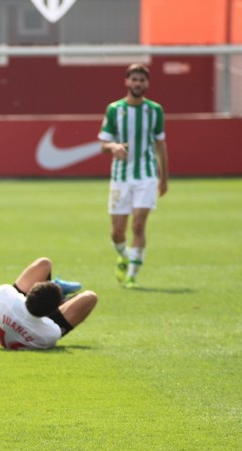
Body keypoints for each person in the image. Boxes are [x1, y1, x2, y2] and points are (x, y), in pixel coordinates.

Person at [98, 63, 169, 289]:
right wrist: (114, 147)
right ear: (127, 82)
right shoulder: (114, 109)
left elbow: (160, 144)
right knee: (117, 231)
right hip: (120, 176)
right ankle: (123, 255)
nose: (138, 84)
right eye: (134, 80)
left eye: (142, 80)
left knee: (138, 225)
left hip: (146, 175)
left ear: (147, 84)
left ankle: (132, 275)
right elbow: (103, 145)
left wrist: (163, 177)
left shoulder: (155, 110)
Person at [0, 258, 98, 350]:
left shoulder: (5, 294)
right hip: (38, 328)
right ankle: (59, 290)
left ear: (31, 291)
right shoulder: (50, 332)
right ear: (54, 310)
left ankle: (55, 287)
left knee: (44, 263)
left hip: (7, 327)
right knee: (91, 297)